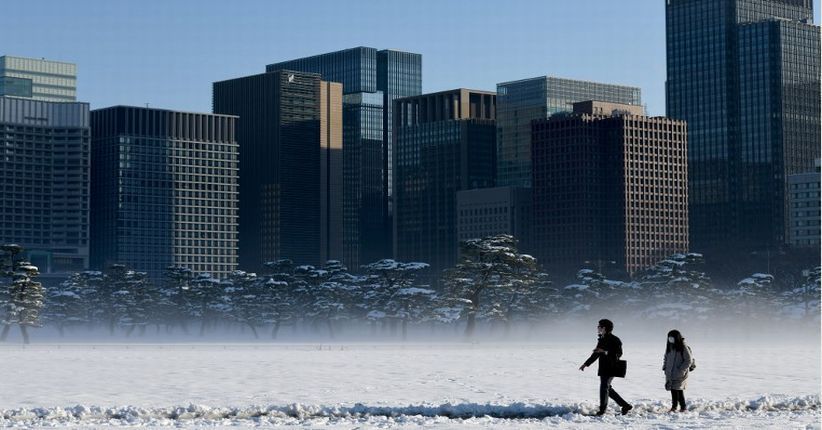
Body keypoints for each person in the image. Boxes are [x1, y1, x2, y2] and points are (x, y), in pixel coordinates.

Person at [579, 319, 633, 416]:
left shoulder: (615, 339)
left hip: (612, 367)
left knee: (604, 387)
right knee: (607, 388)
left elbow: (618, 354)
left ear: (604, 328)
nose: (597, 328)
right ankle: (625, 405)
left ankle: (602, 411)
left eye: (599, 326)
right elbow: (595, 354)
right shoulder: (602, 339)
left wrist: (604, 351)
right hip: (604, 367)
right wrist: (586, 364)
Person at [663, 329, 693, 412]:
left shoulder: (683, 346)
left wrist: (681, 370)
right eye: (669, 337)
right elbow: (666, 358)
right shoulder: (670, 346)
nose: (670, 339)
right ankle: (678, 407)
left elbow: (688, 360)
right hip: (670, 372)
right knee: (674, 389)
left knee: (677, 390)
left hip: (679, 373)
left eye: (672, 337)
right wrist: (664, 367)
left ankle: (679, 407)